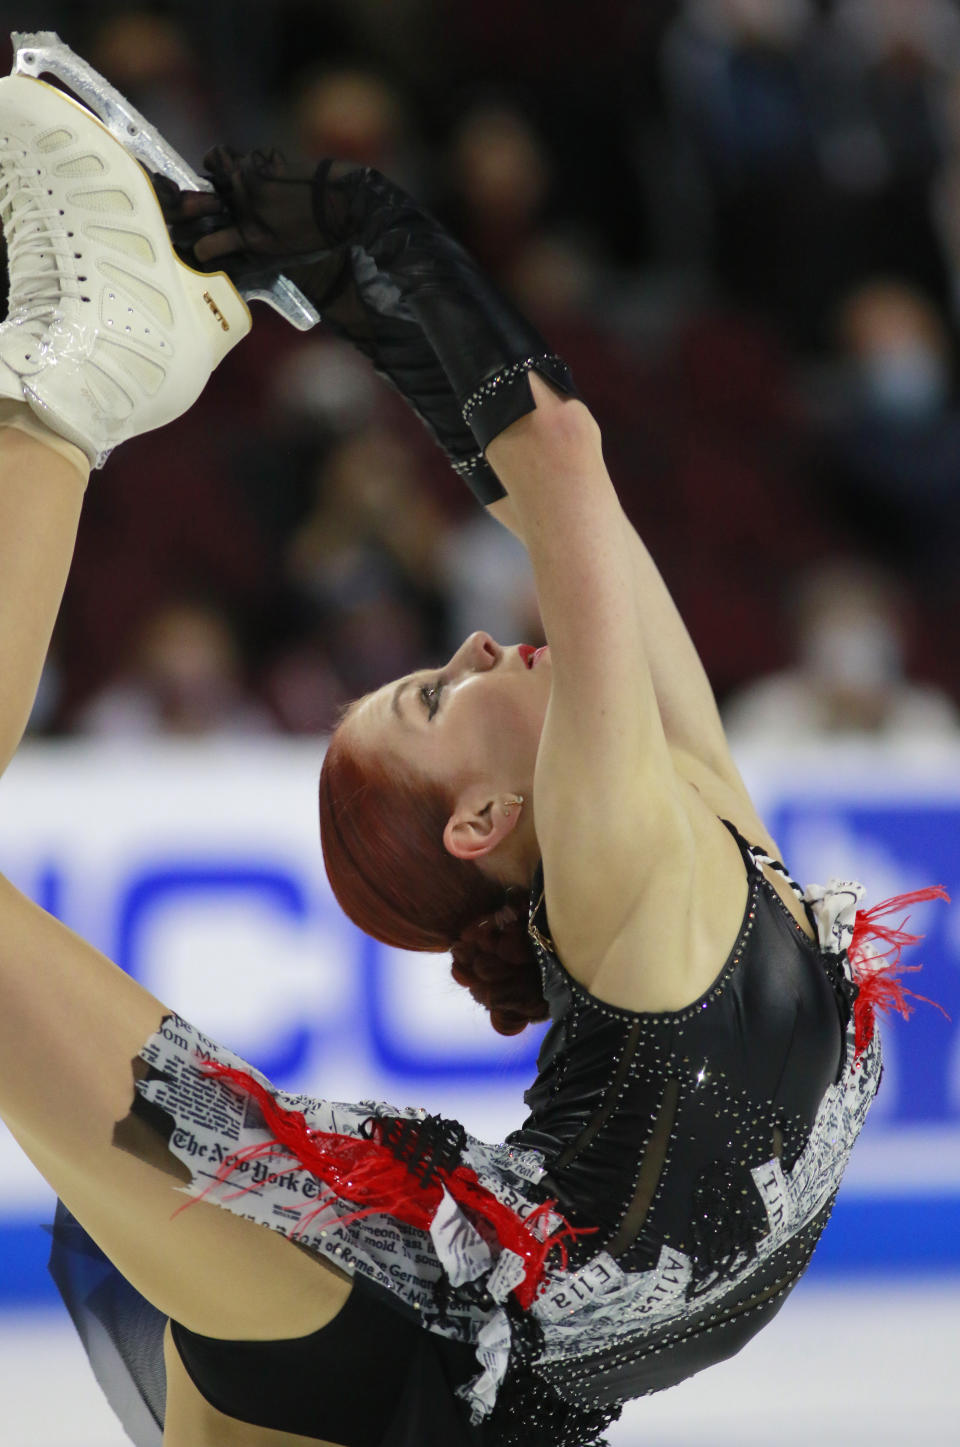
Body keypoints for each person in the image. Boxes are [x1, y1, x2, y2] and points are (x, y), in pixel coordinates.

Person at [0, 60, 945, 1447]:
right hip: (447, 1354)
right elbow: (559, 462)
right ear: (489, 817)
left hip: (432, 1346)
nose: (484, 651)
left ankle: (75, 378)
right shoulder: (654, 863)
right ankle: (80, 373)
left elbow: (562, 497)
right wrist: (386, 248)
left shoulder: (683, 840)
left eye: (431, 681)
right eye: (441, 696)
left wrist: (363, 299)